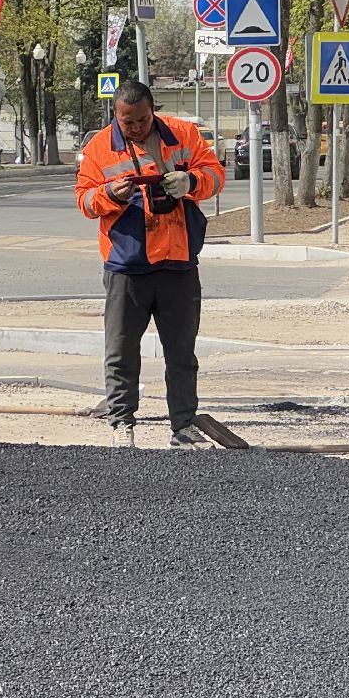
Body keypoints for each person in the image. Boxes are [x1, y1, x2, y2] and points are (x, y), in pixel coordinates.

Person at [74, 80, 226, 449]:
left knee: (181, 352)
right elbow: (85, 201)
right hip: (128, 265)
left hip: (178, 262)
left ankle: (184, 426)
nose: (136, 127)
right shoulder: (99, 148)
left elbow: (215, 176)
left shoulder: (183, 134)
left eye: (142, 119)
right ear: (116, 115)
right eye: (127, 122)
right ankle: (121, 422)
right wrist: (109, 193)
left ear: (152, 110)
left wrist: (191, 180)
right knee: (121, 351)